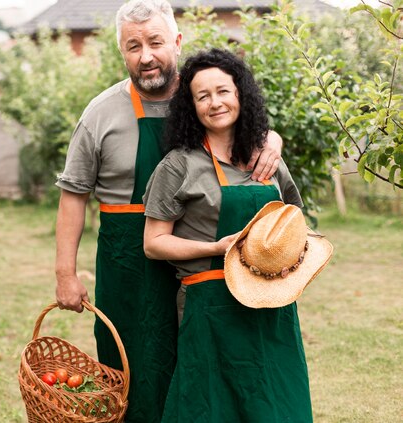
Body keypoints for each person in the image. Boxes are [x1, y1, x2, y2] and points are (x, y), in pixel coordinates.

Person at [54, 1, 282, 421]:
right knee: (129, 367)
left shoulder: (203, 98)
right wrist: (66, 275)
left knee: (200, 365)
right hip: (127, 263)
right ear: (121, 52)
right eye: (133, 46)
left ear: (176, 42)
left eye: (155, 42)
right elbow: (73, 193)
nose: (146, 56)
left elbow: (243, 121)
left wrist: (272, 138)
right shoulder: (100, 114)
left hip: (201, 259)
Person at [143, 48, 313, 421]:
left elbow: (295, 221)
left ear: (241, 95)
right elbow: (154, 243)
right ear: (191, 107)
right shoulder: (179, 165)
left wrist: (289, 257)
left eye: (223, 91)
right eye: (202, 96)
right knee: (211, 408)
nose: (215, 103)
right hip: (211, 307)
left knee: (276, 401)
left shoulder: (266, 158)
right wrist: (216, 246)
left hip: (272, 304)